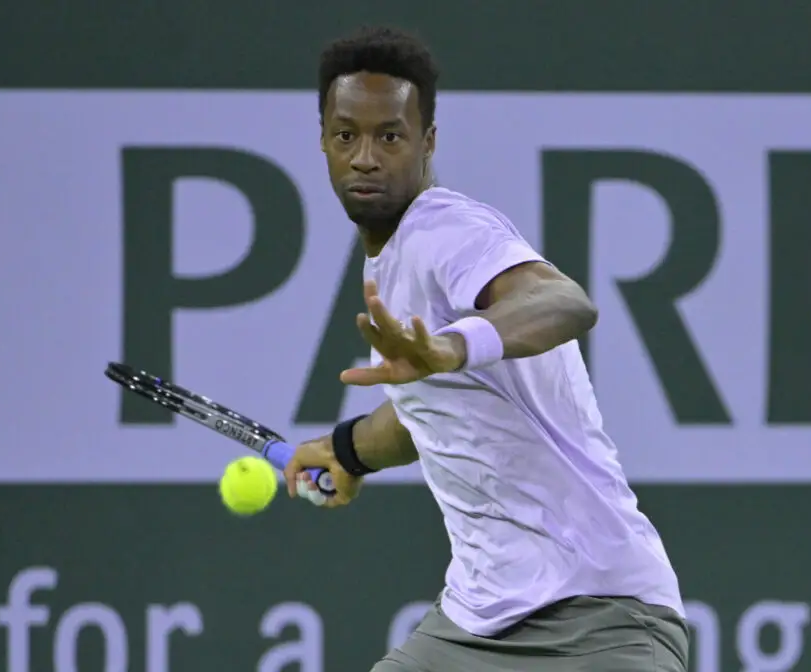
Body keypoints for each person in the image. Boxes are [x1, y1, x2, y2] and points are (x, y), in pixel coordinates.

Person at [283, 25, 690, 671]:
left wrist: (454, 346)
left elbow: (564, 301)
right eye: (345, 135)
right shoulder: (392, 262)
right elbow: (432, 415)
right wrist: (347, 450)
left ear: (427, 142)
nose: (364, 157)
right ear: (323, 141)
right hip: (476, 621)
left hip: (599, 614)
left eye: (389, 136)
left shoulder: (446, 231)